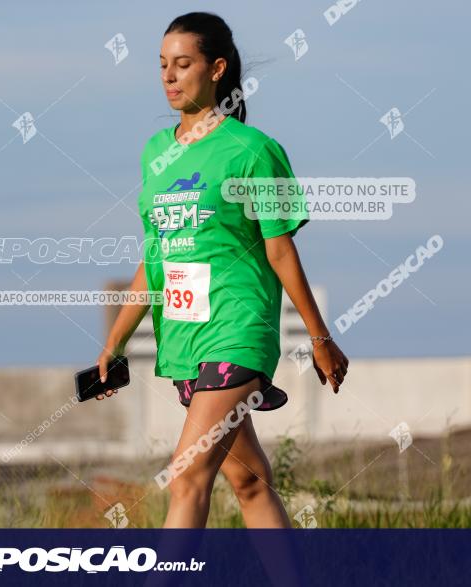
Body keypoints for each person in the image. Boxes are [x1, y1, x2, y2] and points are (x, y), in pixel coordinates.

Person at [95, 13, 349, 528]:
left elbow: (280, 252)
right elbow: (154, 259)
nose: (168, 75)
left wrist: (320, 337)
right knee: (248, 481)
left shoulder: (254, 152)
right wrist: (113, 343)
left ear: (217, 69)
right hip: (185, 339)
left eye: (182, 63)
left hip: (237, 330)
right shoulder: (154, 154)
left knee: (186, 477)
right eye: (162, 64)